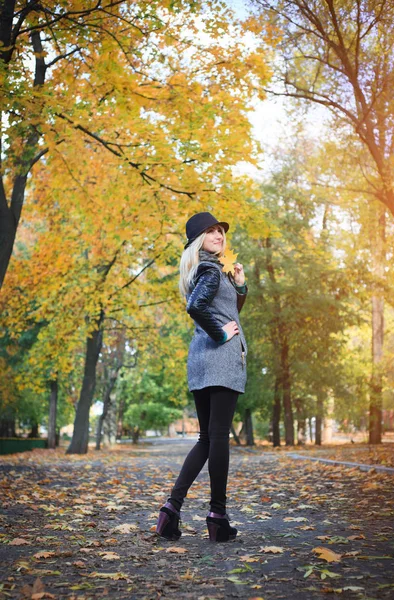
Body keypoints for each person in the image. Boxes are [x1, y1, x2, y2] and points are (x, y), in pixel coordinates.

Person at [155, 212, 248, 543]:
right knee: (218, 437)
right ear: (198, 240)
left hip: (201, 360)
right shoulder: (209, 268)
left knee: (207, 438)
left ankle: (171, 509)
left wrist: (239, 285)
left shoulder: (209, 269)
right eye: (211, 231)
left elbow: (228, 311)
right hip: (219, 359)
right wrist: (222, 336)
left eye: (220, 230)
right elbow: (196, 307)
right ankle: (217, 516)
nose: (219, 234)